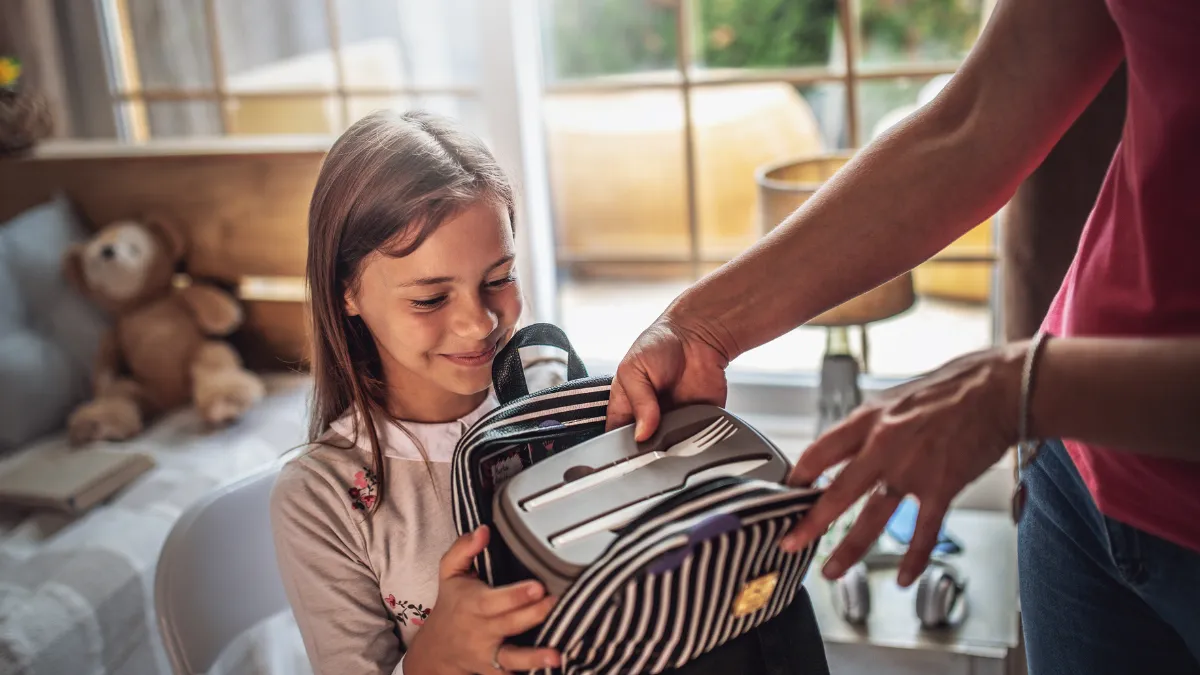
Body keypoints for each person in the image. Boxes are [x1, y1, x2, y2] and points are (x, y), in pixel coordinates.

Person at [605, 0, 1200, 672]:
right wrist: (702, 323)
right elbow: (973, 123)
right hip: (1077, 480)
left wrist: (1017, 390)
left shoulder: (1027, 389)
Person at [269, 110, 568, 674]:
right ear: (346, 295)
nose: (479, 323)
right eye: (431, 299)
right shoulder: (322, 499)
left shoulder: (561, 395)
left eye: (499, 278)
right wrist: (437, 656)